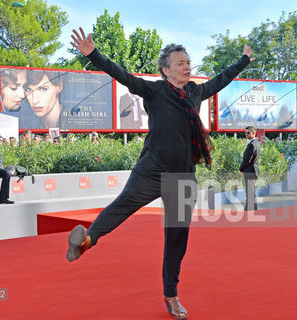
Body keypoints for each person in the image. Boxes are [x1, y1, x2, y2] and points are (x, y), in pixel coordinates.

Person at [66, 27, 253, 320]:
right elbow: (123, 75)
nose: (187, 67)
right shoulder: (154, 90)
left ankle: (171, 295)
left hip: (183, 177)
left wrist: (243, 61)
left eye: (188, 62)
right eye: (180, 63)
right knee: (123, 205)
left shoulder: (195, 92)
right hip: (152, 170)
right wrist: (94, 55)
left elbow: (221, 79)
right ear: (166, 70)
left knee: (177, 237)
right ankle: (87, 241)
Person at [239, 126, 261, 211]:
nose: (246, 134)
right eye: (245, 133)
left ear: (254, 133)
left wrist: (241, 169)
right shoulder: (256, 143)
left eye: (248, 133)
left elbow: (247, 159)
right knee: (251, 192)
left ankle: (250, 210)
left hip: (250, 171)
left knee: (250, 192)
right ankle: (250, 209)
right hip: (253, 171)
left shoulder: (252, 144)